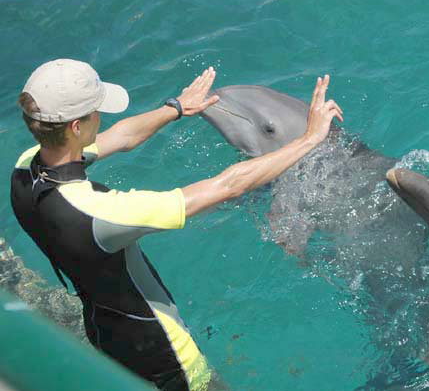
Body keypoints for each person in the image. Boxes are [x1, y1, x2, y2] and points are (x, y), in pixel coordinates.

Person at [10, 59, 343, 391]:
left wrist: (177, 108)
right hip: (168, 360)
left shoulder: (25, 171)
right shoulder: (102, 214)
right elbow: (228, 187)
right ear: (76, 128)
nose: (102, 116)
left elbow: (121, 136)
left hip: (105, 331)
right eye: (95, 111)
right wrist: (309, 140)